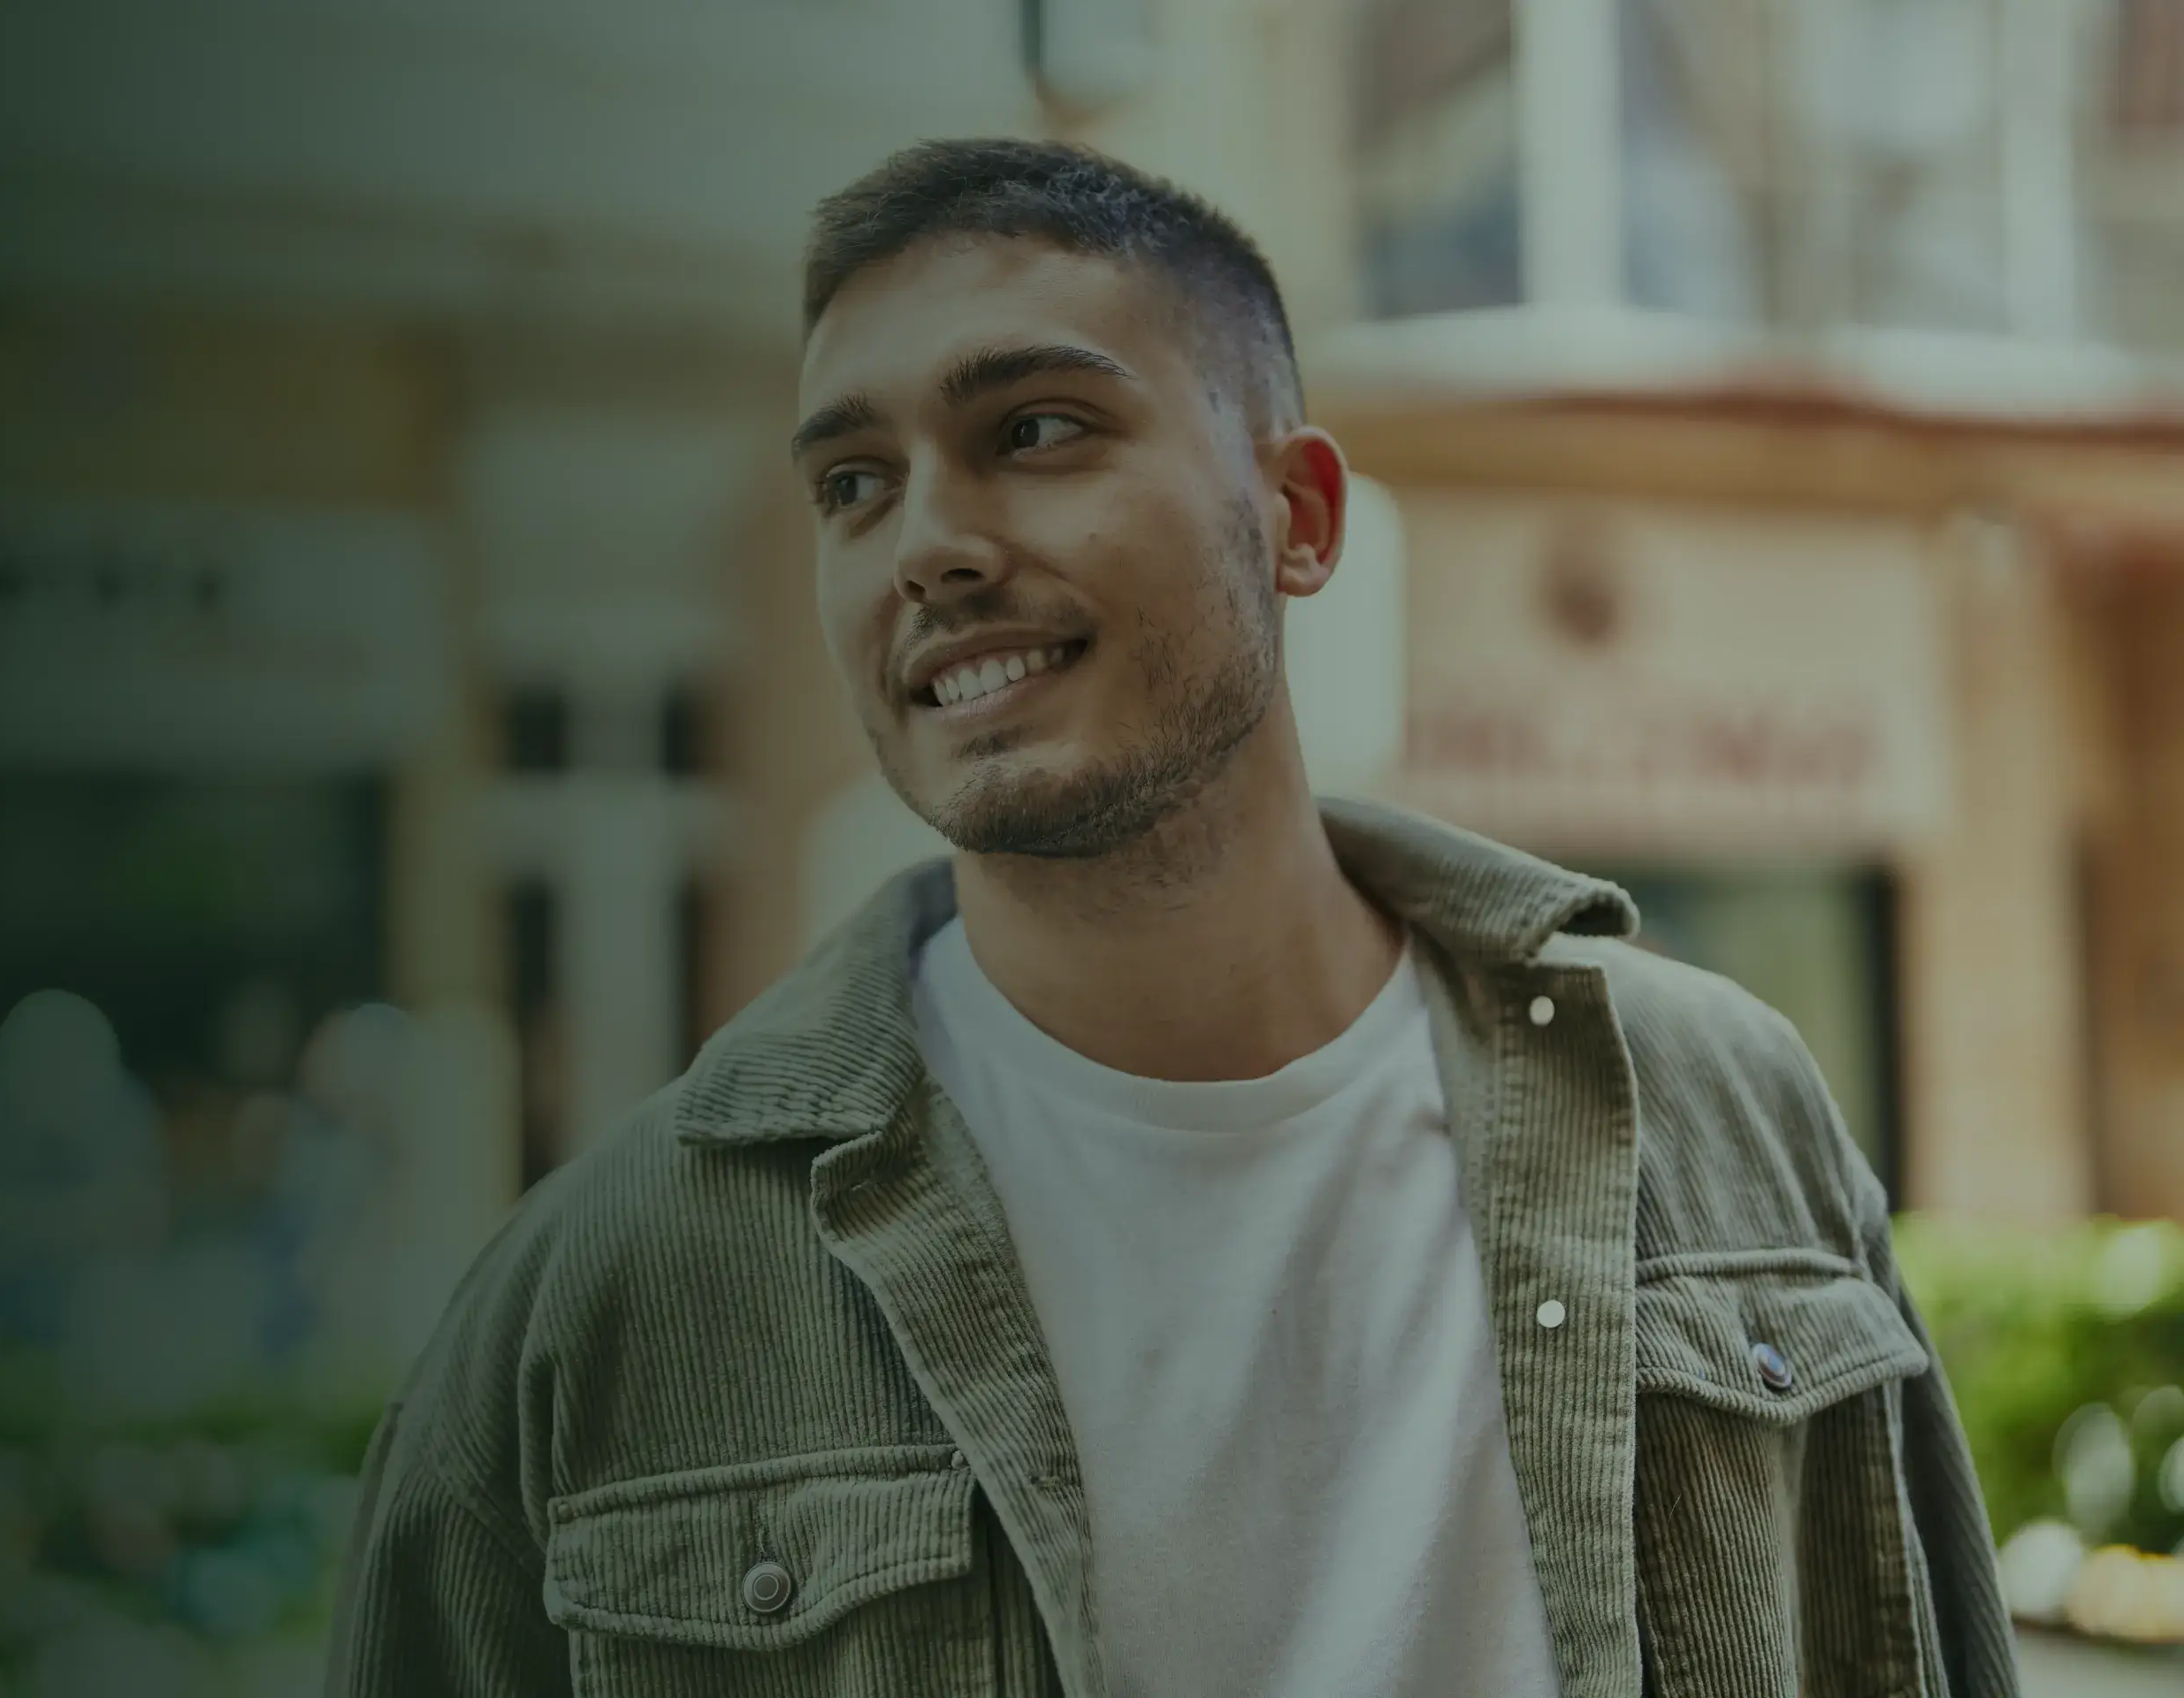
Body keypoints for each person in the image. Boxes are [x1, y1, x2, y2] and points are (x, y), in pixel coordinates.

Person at [324, 140, 2013, 1697]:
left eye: (1035, 431)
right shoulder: (608, 1292)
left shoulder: (1719, 1113)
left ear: (1298, 518)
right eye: (852, 482)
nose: (927, 546)